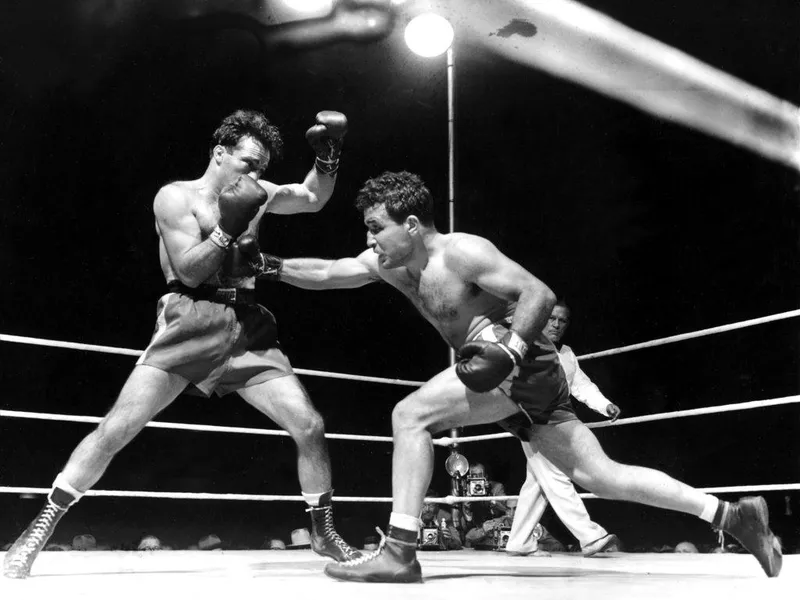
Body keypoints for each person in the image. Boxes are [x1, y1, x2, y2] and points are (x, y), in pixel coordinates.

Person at [237, 170, 782, 582]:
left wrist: (513, 351)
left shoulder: (463, 252)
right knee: (600, 475)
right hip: (505, 373)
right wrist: (269, 266)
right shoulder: (388, 263)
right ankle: (732, 514)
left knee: (411, 415)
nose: (370, 238)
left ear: (410, 223)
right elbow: (333, 273)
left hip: (519, 363)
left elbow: (537, 294)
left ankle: (400, 552)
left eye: (376, 227)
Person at [2, 108, 359, 580]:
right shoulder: (175, 197)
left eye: (262, 168)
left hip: (247, 324)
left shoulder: (261, 193)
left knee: (309, 425)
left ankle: (323, 530)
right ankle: (39, 530)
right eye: (248, 164)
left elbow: (312, 198)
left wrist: (328, 158)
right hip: (189, 317)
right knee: (117, 429)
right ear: (219, 154)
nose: (257, 176)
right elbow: (190, 270)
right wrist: (227, 227)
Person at [506, 300, 621, 557]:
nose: (556, 324)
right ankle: (590, 537)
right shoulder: (527, 347)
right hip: (531, 420)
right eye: (552, 318)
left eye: (562, 320)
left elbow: (581, 385)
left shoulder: (567, 354)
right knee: (556, 475)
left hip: (557, 423)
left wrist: (605, 405)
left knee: (537, 482)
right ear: (541, 318)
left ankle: (519, 541)